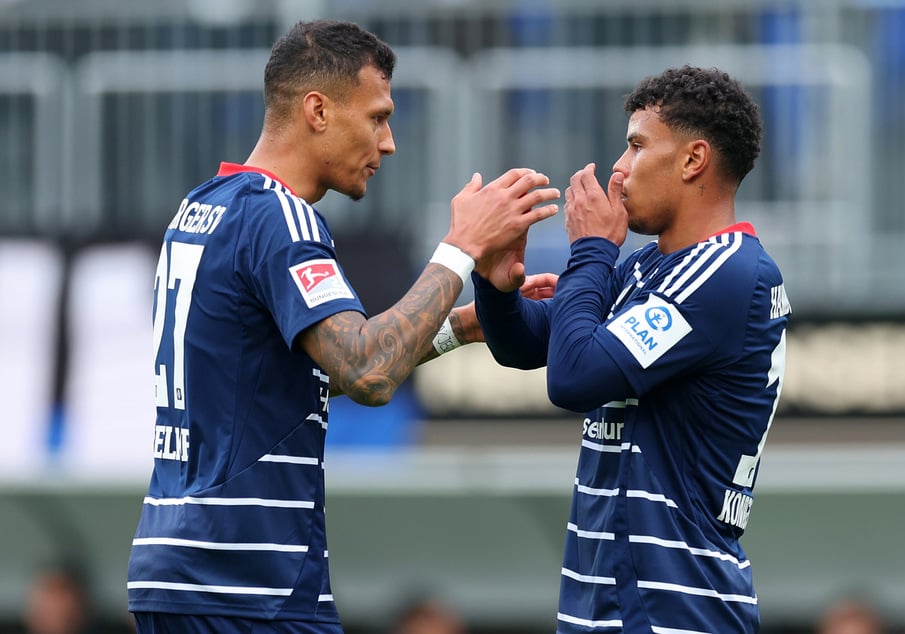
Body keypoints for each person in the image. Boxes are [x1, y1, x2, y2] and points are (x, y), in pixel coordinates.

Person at [126, 19, 559, 634]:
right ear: (318, 110)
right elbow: (368, 371)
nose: (388, 143)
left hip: (177, 570)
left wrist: (457, 327)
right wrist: (461, 247)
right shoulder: (281, 220)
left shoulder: (203, 206)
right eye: (378, 117)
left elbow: (281, 384)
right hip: (249, 582)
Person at [472, 66, 791, 633]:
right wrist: (497, 287)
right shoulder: (650, 267)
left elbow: (573, 379)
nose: (618, 169)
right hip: (611, 607)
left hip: (677, 607)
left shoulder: (725, 271)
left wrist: (591, 252)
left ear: (693, 160)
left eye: (637, 146)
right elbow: (528, 344)